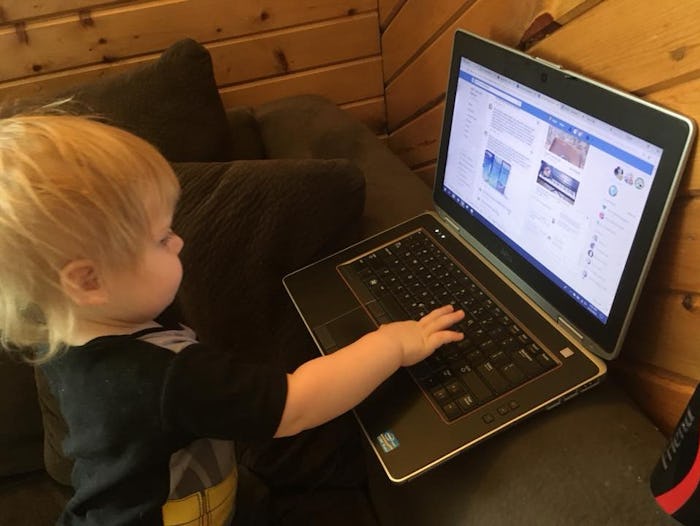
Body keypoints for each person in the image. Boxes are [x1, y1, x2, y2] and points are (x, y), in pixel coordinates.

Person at [0, 114, 465, 525]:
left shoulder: (69, 336)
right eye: (161, 239)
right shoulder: (162, 378)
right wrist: (391, 345)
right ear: (88, 282)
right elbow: (298, 404)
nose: (179, 242)